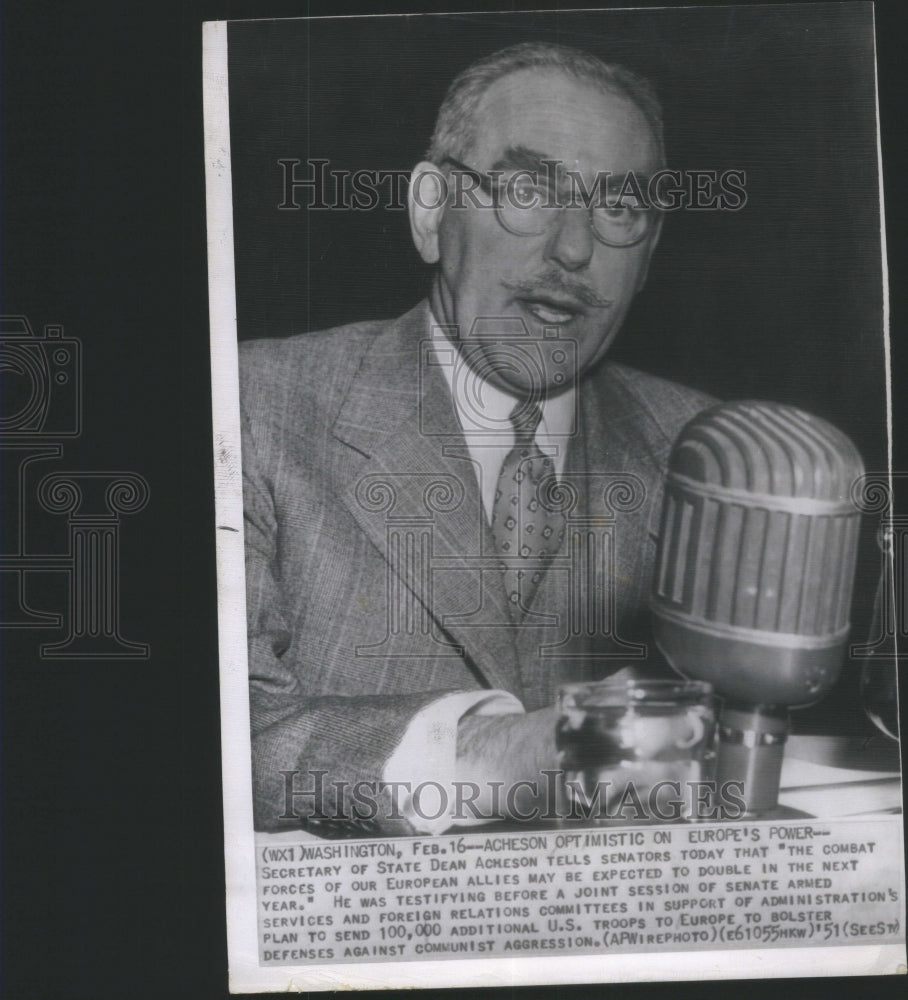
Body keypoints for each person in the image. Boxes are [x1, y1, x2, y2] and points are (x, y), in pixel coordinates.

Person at [240, 43, 714, 835]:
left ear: (651, 255)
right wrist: (495, 756)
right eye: (529, 190)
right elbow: (223, 733)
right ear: (431, 211)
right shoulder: (251, 408)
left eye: (620, 210)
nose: (573, 249)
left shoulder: (708, 455)